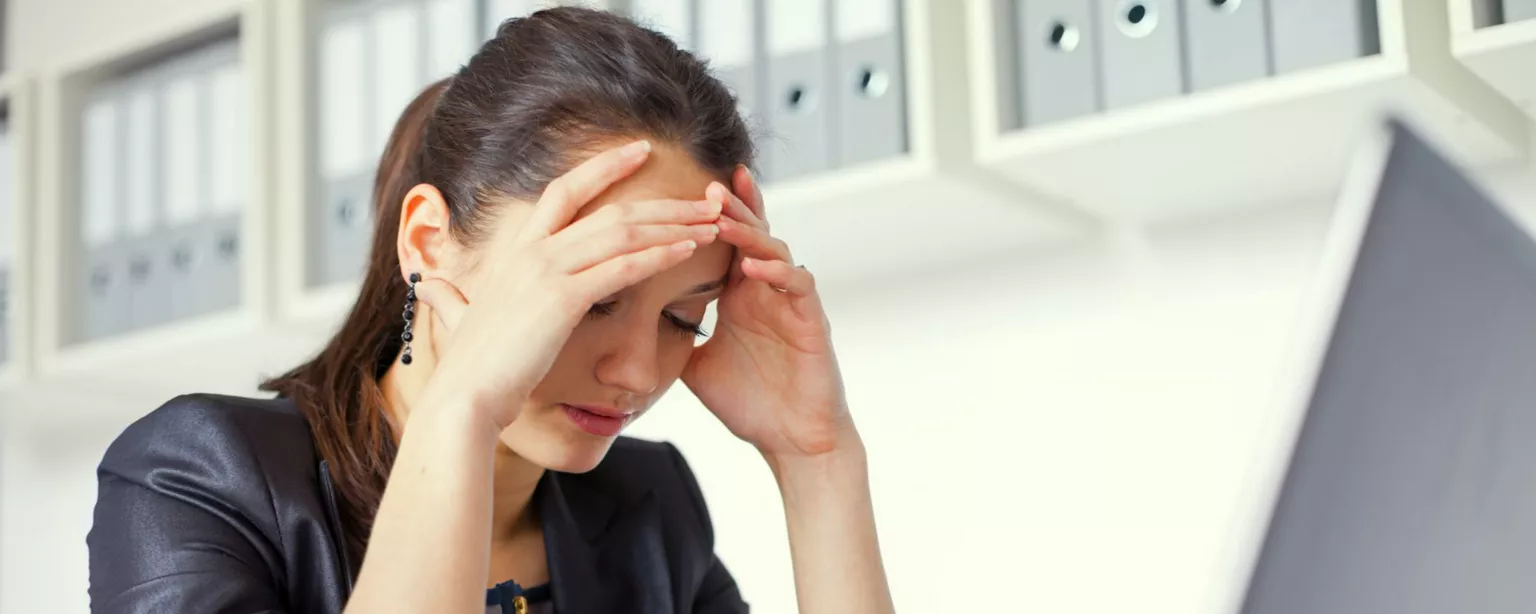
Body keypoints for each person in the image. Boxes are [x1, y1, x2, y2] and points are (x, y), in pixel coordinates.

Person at [86, 7, 893, 614]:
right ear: (430, 242)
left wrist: (817, 460)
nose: (640, 372)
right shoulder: (201, 476)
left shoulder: (650, 510)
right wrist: (462, 410)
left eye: (683, 318)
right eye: (591, 298)